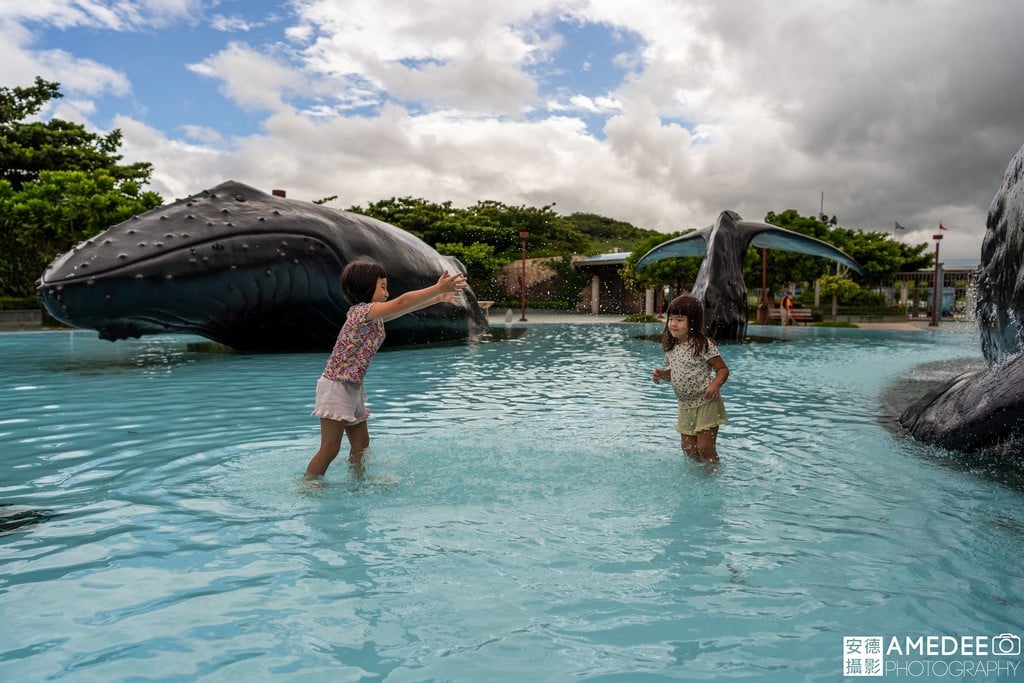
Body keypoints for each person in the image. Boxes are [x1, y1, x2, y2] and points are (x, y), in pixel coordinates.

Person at [304, 260, 467, 478]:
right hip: (336, 386)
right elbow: (402, 302)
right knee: (330, 449)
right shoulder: (361, 313)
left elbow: (404, 308)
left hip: (352, 386)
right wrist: (437, 288)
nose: (387, 292)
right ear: (365, 287)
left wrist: (437, 298)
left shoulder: (372, 317)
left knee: (361, 444)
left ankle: (358, 480)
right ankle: (308, 484)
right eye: (382, 287)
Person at [652, 295, 729, 463]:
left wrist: (715, 384)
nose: (672, 323)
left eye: (679, 320)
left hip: (706, 401)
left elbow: (722, 369)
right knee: (689, 449)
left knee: (705, 448)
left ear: (693, 322)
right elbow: (677, 373)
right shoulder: (671, 347)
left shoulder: (703, 345)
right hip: (685, 405)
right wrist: (662, 374)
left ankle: (713, 475)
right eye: (670, 319)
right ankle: (697, 480)